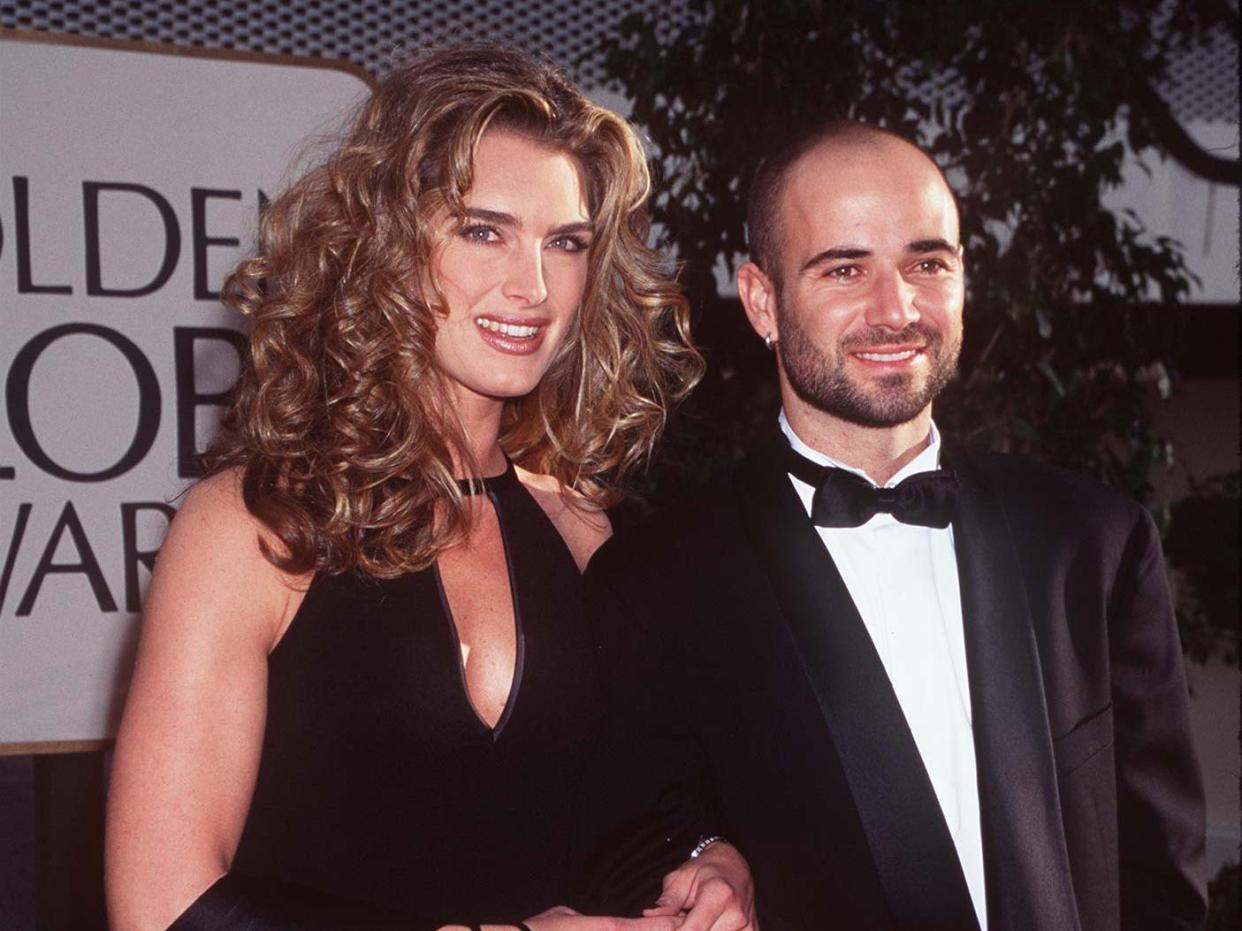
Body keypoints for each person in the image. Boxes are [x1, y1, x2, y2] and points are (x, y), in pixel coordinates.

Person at [105, 43, 750, 931]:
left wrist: (710, 861)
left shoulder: (588, 530)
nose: (532, 287)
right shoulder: (255, 526)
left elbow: (626, 822)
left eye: (564, 243)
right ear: (388, 241)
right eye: (484, 230)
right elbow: (162, 905)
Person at [575, 121, 1207, 930]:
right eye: (845, 268)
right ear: (763, 300)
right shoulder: (658, 580)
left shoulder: (1096, 542)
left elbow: (1161, 874)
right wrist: (704, 851)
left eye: (927, 262)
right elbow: (625, 838)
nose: (897, 307)